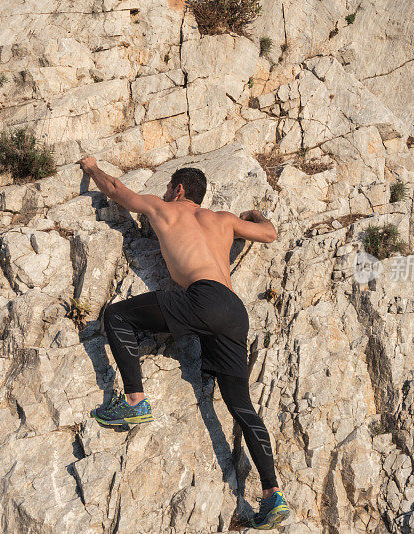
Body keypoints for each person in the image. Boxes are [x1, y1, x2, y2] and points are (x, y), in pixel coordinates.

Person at [77, 155, 291, 530]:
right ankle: (273, 494)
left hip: (200, 298)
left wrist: (92, 168)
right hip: (234, 310)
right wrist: (254, 212)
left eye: (166, 187)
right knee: (242, 406)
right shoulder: (223, 220)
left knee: (115, 316)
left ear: (178, 189)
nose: (161, 193)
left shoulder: (164, 208)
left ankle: (133, 401)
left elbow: (116, 191)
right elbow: (270, 233)